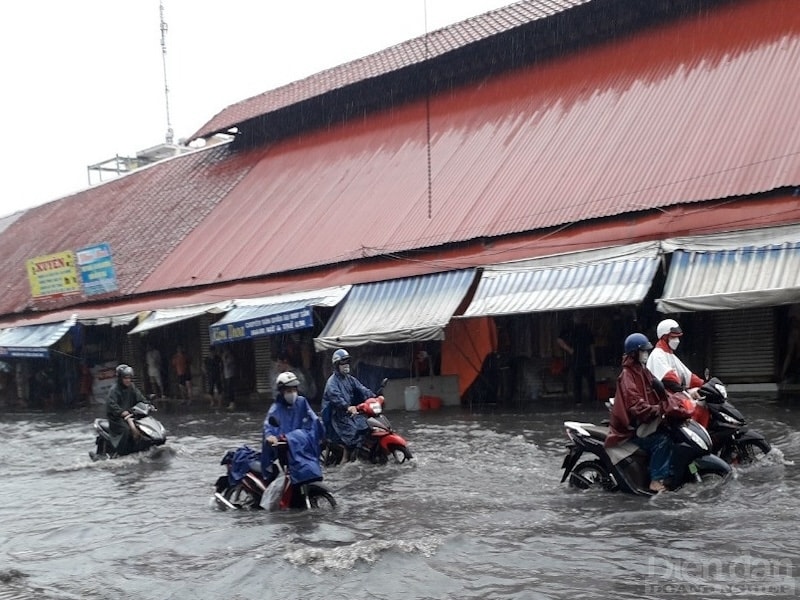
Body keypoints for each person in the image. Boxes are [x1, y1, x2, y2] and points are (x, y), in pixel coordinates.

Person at [606, 333, 671, 493]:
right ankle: (655, 481)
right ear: (635, 353)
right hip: (633, 428)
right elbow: (636, 406)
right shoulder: (628, 376)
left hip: (646, 421)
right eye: (643, 352)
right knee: (662, 441)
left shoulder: (642, 371)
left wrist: (674, 399)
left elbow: (658, 388)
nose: (646, 354)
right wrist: (658, 409)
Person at [261, 371, 324, 485]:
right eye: (289, 391)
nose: (293, 393)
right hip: (285, 449)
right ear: (281, 391)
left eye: (294, 390)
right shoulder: (275, 409)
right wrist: (270, 436)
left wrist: (321, 433)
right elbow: (268, 426)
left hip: (302, 446)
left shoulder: (302, 402)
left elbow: (313, 419)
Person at [321, 348, 375, 462]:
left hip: (350, 414)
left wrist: (375, 397)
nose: (346, 365)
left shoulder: (350, 379)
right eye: (343, 363)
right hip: (336, 418)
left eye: (347, 362)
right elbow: (336, 398)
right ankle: (346, 462)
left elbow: (362, 389)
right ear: (336, 365)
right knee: (352, 438)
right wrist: (347, 406)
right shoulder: (332, 383)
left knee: (368, 427)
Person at [646, 318, 704, 397]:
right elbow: (669, 378)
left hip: (673, 398)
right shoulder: (657, 355)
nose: (677, 340)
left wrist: (704, 385)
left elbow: (688, 376)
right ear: (665, 337)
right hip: (663, 400)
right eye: (673, 337)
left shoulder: (670, 355)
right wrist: (684, 392)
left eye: (678, 337)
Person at [106, 364, 148, 456]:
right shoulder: (114, 390)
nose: (128, 380)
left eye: (129, 378)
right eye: (125, 378)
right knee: (127, 430)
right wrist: (121, 412)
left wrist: (147, 404)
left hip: (132, 414)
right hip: (117, 419)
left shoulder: (131, 387)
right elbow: (111, 404)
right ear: (120, 378)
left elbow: (140, 397)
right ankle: (122, 452)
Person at [557, 312, 597, 405]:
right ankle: (578, 400)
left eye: (580, 317)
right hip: (576, 357)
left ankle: (593, 398)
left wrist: (593, 358)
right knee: (577, 379)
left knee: (591, 379)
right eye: (577, 317)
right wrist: (569, 349)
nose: (579, 318)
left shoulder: (586, 328)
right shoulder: (569, 328)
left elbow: (591, 344)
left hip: (587, 357)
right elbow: (559, 340)